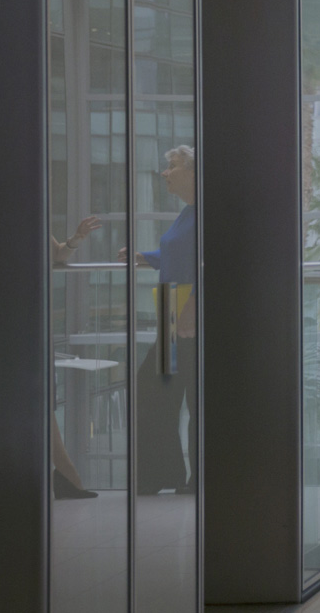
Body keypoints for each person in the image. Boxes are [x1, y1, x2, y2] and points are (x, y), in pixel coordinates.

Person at [121, 145, 198, 495]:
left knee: (194, 397)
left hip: (188, 313)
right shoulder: (188, 213)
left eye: (173, 166)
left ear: (194, 172)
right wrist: (145, 257)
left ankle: (196, 479)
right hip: (171, 310)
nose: (165, 173)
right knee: (156, 393)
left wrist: (193, 305)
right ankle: (162, 474)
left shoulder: (205, 212)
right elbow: (175, 250)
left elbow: (207, 261)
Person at [51, 216, 105, 499]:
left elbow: (58, 255)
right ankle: (66, 475)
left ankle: (66, 474)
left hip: (27, 314)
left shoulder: (26, 219)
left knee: (41, 400)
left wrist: (75, 239)